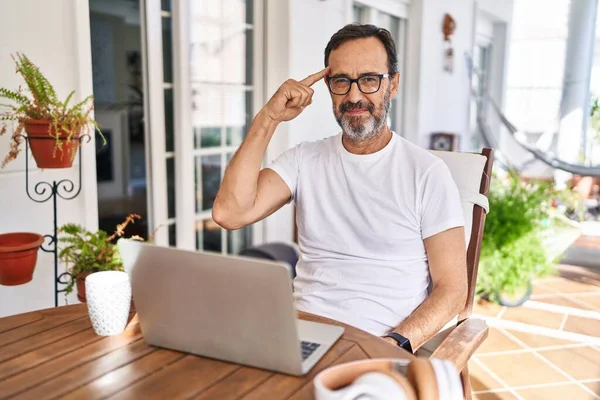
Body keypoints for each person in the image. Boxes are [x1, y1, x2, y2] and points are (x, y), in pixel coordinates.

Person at [212, 23, 467, 352]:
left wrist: (397, 343)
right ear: (328, 86)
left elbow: (452, 289)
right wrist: (268, 117)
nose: (355, 96)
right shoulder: (305, 159)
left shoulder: (427, 173)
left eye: (370, 80)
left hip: (377, 345)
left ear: (393, 84)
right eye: (342, 81)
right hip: (297, 335)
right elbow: (229, 213)